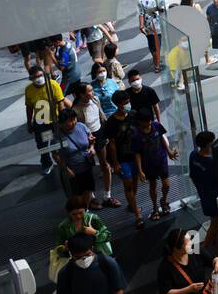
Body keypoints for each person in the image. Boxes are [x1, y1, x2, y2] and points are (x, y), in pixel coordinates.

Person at [100, 90, 144, 227]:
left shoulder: (133, 115)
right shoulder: (111, 122)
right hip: (123, 159)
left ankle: (132, 204)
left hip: (135, 157)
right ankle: (137, 215)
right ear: (118, 104)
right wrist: (115, 163)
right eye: (125, 103)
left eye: (128, 102)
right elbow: (112, 144)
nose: (128, 104)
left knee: (135, 183)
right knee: (128, 185)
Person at [24, 65, 69, 175]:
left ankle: (64, 164)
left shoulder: (53, 85)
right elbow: (29, 107)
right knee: (43, 145)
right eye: (35, 77)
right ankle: (46, 163)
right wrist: (29, 123)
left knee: (57, 144)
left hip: (55, 122)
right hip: (41, 123)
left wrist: (62, 121)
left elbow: (61, 103)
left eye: (40, 75)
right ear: (31, 78)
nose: (38, 78)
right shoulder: (29, 90)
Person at [133, 109, 176, 220]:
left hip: (161, 160)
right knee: (153, 186)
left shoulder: (156, 126)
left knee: (166, 185)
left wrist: (169, 151)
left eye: (149, 121)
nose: (149, 123)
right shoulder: (136, 135)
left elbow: (162, 138)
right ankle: (155, 207)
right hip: (148, 163)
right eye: (146, 121)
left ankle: (164, 200)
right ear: (140, 122)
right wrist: (140, 170)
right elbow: (137, 153)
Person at [189, 130, 218, 254]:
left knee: (213, 220)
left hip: (203, 194)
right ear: (207, 145)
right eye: (212, 143)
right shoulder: (212, 162)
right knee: (216, 223)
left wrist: (200, 189)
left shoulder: (193, 155)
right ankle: (203, 248)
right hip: (214, 195)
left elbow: (192, 175)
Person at [53, 107, 97, 204]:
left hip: (86, 166)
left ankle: (85, 209)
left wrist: (92, 147)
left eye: (74, 119)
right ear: (62, 123)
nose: (74, 122)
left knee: (88, 189)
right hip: (72, 171)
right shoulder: (57, 136)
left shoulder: (81, 126)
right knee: (76, 195)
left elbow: (91, 140)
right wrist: (66, 169)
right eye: (70, 121)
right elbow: (55, 155)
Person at [54, 194, 114, 260]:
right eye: (74, 214)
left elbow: (108, 236)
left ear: (85, 209)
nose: (78, 216)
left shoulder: (93, 219)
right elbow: (58, 248)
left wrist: (95, 233)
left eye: (81, 213)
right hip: (77, 259)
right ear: (68, 213)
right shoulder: (63, 227)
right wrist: (64, 249)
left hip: (98, 256)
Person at [137, 0, 166, 72]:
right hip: (158, 24)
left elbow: (141, 13)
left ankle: (156, 62)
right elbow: (165, 8)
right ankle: (157, 65)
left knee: (152, 44)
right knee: (158, 44)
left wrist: (141, 26)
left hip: (148, 25)